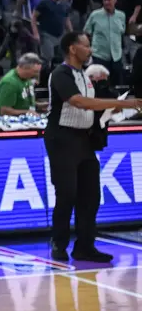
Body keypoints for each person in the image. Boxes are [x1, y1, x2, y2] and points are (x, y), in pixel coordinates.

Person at [44, 32, 140, 264]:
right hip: (62, 138)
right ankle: (59, 243)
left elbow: (95, 108)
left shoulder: (84, 77)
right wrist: (120, 102)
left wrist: (126, 108)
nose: (90, 50)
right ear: (72, 48)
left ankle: (85, 246)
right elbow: (78, 102)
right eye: (86, 45)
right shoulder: (61, 73)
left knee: (91, 195)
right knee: (67, 193)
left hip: (83, 140)